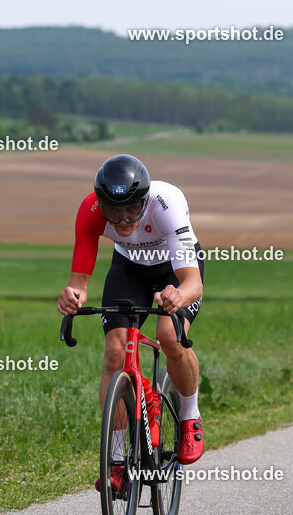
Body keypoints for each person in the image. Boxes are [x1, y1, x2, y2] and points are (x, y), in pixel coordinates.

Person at [56, 154, 204, 492]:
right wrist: (71, 297)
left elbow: (193, 283)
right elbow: (78, 283)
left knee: (170, 336)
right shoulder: (90, 211)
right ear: (102, 203)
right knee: (114, 352)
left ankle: (189, 417)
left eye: (133, 209)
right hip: (128, 269)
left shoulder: (166, 205)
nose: (123, 219)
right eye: (114, 211)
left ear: (145, 199)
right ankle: (119, 462)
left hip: (173, 270)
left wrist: (178, 297)